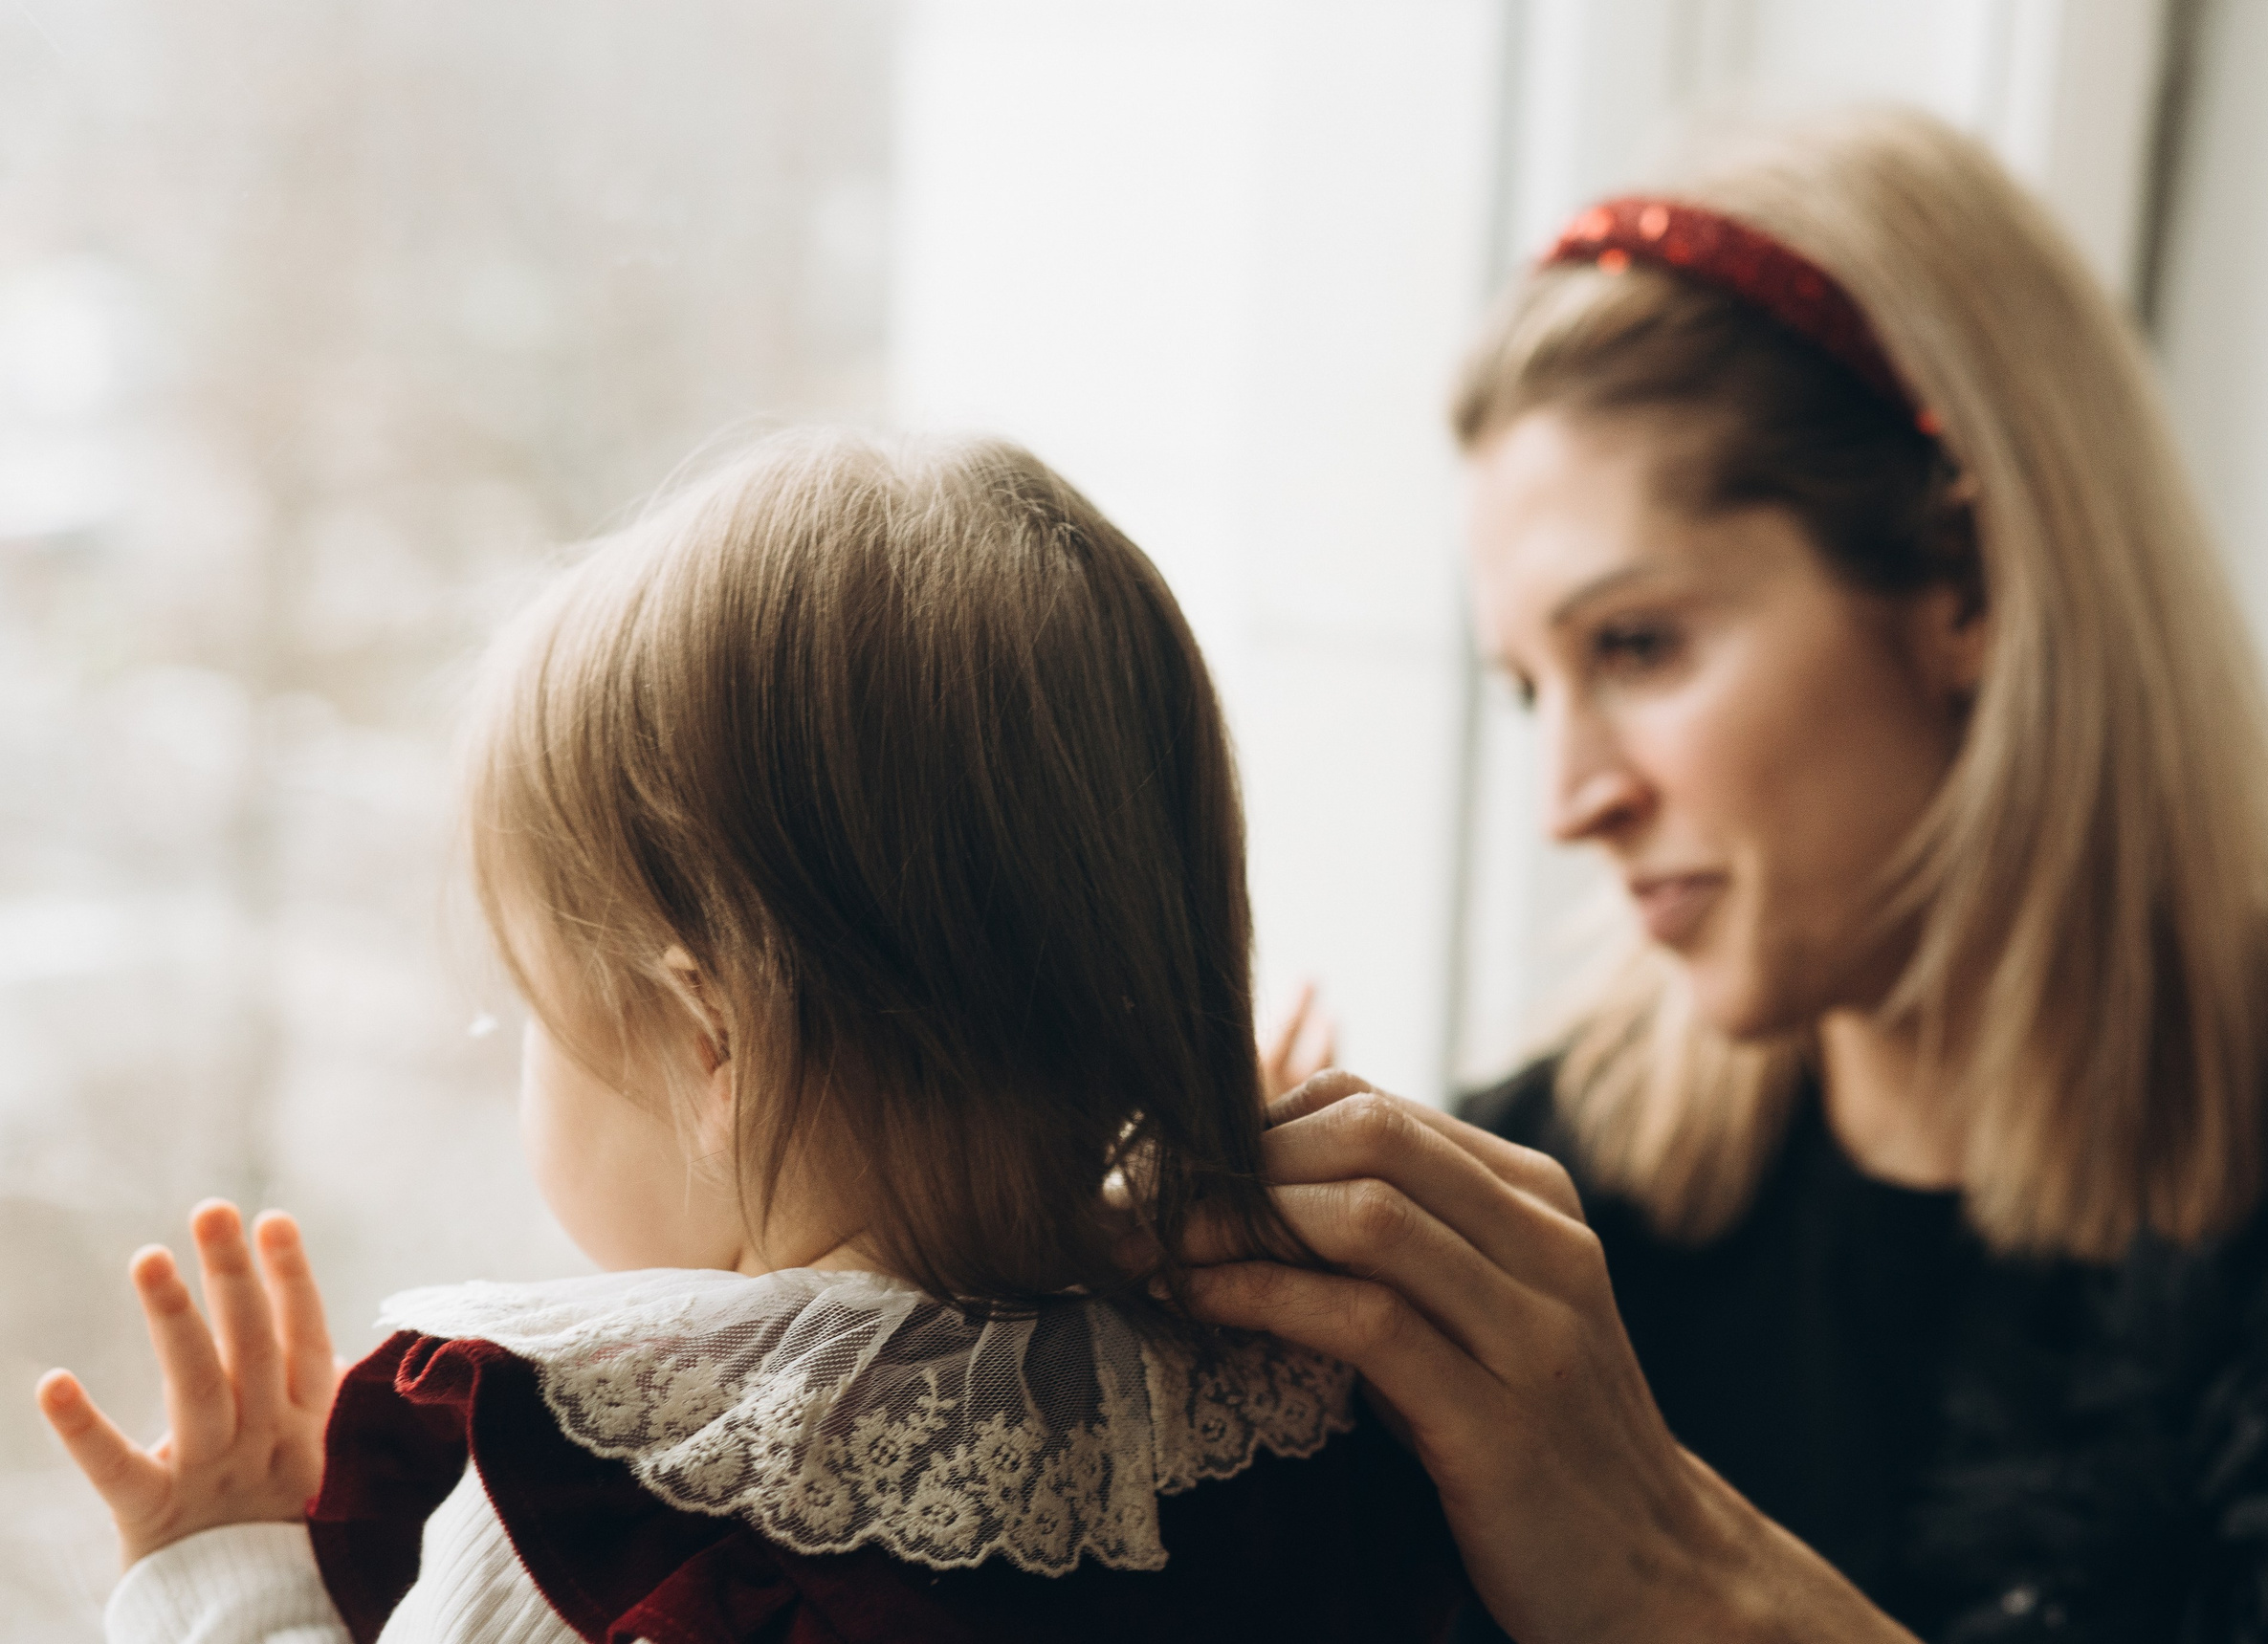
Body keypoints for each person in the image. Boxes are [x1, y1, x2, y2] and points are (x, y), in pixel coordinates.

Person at [1188, 107, 2268, 1642]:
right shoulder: (1530, 1236)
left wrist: (1686, 1586)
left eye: (1637, 648)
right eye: (1531, 688)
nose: (1569, 803)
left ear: (1966, 587)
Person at [35, 431, 1458, 1644]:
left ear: (716, 1045)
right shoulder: (1293, 1424)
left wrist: (228, 1580)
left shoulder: (607, 1518)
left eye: (536, 1013)